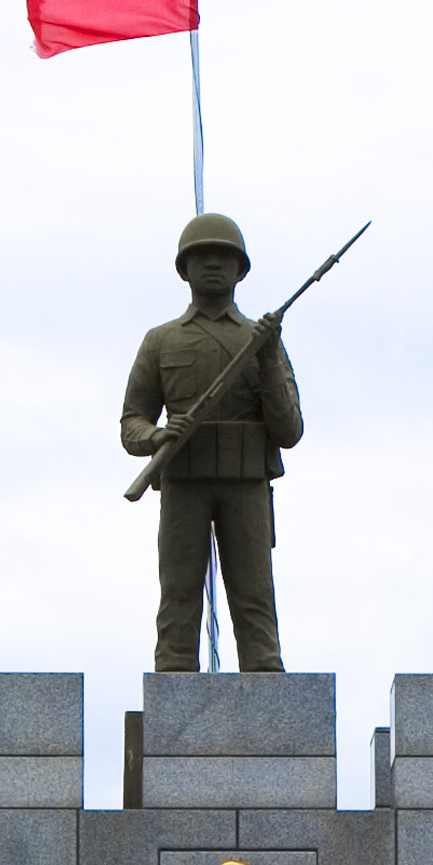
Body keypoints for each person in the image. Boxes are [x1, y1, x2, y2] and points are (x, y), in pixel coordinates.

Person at [124, 209, 299, 672]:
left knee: (254, 592)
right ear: (184, 271)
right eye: (202, 257)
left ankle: (265, 678)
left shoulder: (260, 340)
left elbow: (289, 430)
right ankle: (174, 679)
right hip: (185, 479)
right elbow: (132, 422)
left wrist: (267, 358)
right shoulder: (161, 341)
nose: (214, 265)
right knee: (178, 592)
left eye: (224, 256)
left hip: (246, 481)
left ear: (241, 269)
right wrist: (159, 434)